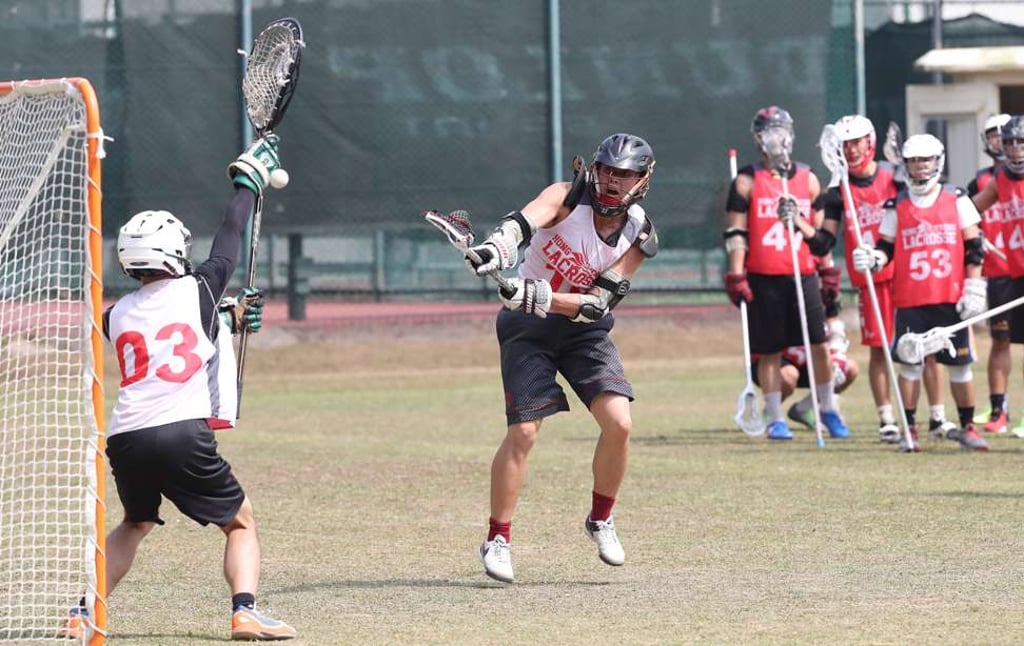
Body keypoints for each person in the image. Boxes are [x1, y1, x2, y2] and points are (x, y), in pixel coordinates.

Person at [77, 135, 296, 641]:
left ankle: (83, 610)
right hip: (181, 433)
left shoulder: (115, 315)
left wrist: (229, 317)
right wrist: (249, 181)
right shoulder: (199, 287)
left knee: (135, 522)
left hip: (126, 438)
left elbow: (169, 333)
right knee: (240, 523)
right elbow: (231, 230)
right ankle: (245, 610)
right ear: (176, 253)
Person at [462, 133, 658, 584]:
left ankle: (600, 519)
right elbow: (520, 225)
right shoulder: (567, 196)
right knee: (525, 431)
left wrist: (534, 295)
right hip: (526, 330)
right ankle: (498, 538)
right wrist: (496, 251)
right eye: (607, 169)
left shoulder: (640, 234)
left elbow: (596, 305)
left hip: (580, 330)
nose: (612, 181)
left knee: (620, 422)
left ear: (642, 180)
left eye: (624, 174)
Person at [818, 115, 957, 443]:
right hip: (870, 278)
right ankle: (887, 419)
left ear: (870, 141)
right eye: (845, 144)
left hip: (909, 272)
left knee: (928, 345)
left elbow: (925, 200)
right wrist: (800, 223)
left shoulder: (894, 175)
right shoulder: (838, 190)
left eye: (857, 142)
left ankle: (937, 415)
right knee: (880, 349)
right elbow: (824, 241)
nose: (851, 150)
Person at [853, 133, 990, 452]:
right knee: (911, 363)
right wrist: (872, 258)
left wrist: (974, 285)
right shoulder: (897, 204)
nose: (919, 166)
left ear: (937, 161)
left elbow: (974, 247)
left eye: (925, 160)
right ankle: (910, 428)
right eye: (913, 161)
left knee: (959, 365)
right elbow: (885, 247)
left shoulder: (956, 198)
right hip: (912, 298)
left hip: (950, 297)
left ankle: (968, 427)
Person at [723, 106, 849, 441]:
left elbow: (820, 238)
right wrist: (737, 275)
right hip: (764, 276)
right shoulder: (747, 181)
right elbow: (737, 234)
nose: (777, 138)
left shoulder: (807, 179)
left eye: (782, 130)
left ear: (792, 135)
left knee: (820, 344)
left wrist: (828, 273)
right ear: (759, 138)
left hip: (803, 274)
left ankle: (828, 409)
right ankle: (776, 417)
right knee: (770, 350)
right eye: (769, 131)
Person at [969, 114, 1014, 435]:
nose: (1009, 147)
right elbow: (969, 211)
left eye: (1014, 140)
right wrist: (973, 234)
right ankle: (999, 410)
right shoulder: (991, 180)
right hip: (1001, 271)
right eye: (1003, 140)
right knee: (1000, 341)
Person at [754, 317, 860, 430]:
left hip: (809, 361)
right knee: (789, 375)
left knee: (850, 368)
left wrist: (837, 361)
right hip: (776, 361)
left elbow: (833, 324)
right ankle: (771, 411)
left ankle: (804, 408)